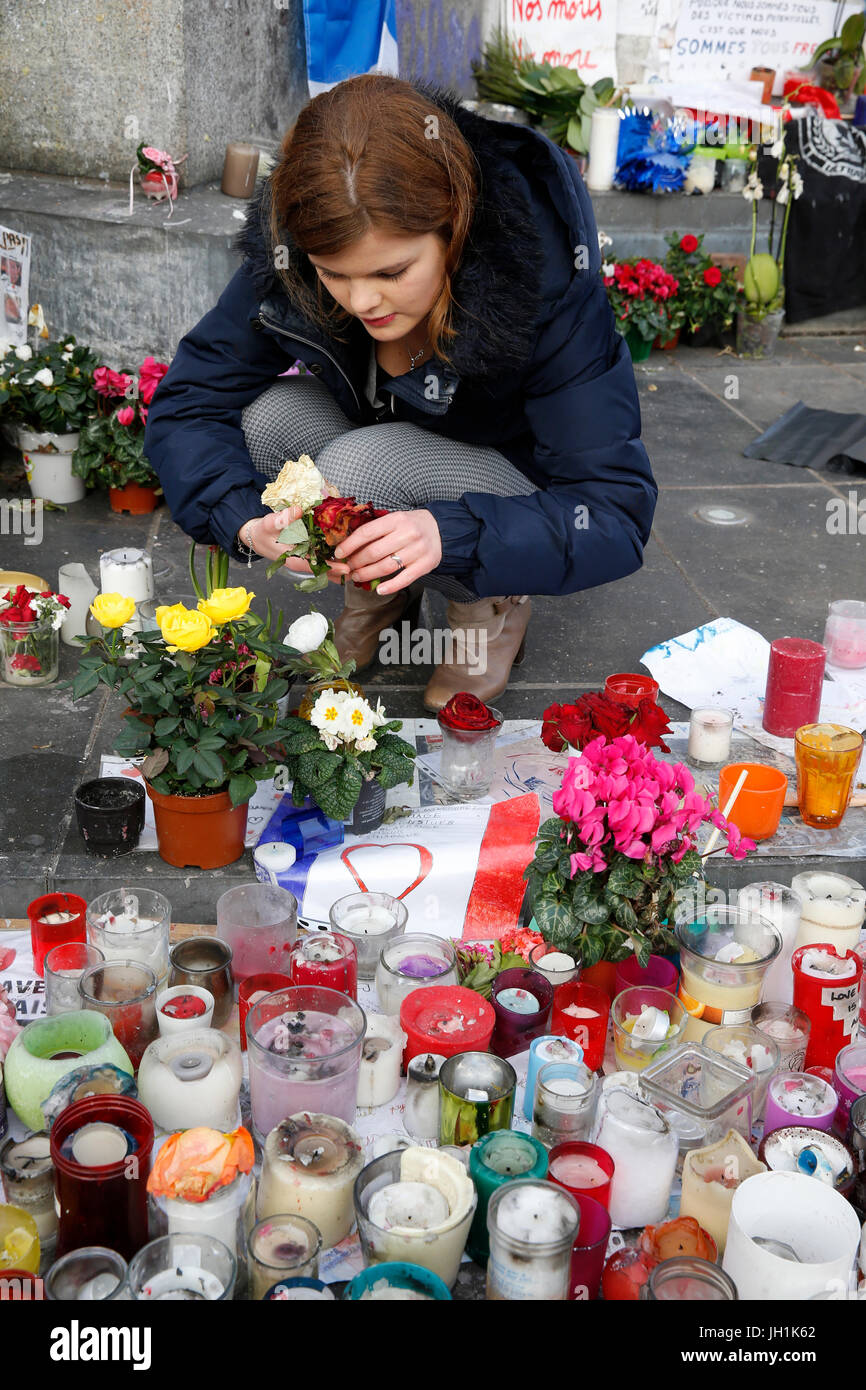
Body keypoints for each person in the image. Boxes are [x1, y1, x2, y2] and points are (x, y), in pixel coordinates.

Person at [145, 74, 657, 710]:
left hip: (509, 484)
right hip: (393, 448)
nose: (362, 300)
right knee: (266, 417)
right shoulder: (294, 251)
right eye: (335, 273)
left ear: (455, 225)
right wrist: (243, 520)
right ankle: (383, 594)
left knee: (357, 467)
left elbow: (614, 512)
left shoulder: (542, 272)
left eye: (392, 271)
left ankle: (488, 606)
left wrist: (454, 533)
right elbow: (190, 401)